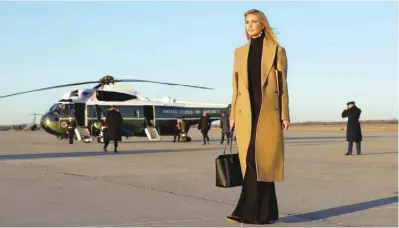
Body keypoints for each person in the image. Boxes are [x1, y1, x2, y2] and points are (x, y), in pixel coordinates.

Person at [227, 9, 290, 225]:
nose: (250, 25)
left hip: (267, 114)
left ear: (263, 25)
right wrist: (233, 114)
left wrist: (284, 113)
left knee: (258, 161)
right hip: (246, 114)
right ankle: (266, 213)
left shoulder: (277, 51)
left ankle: (243, 212)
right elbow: (235, 88)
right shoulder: (239, 52)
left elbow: (283, 85)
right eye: (246, 22)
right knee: (254, 162)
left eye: (254, 22)